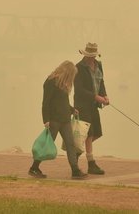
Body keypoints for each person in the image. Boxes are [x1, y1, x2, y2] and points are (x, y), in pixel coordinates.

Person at [29, 60, 89, 180]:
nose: (72, 78)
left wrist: (72, 110)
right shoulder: (50, 82)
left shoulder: (63, 84)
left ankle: (75, 170)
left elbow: (63, 102)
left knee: (70, 144)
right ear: (67, 72)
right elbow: (45, 103)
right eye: (72, 75)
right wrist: (46, 119)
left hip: (65, 119)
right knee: (46, 145)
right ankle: (34, 167)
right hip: (54, 120)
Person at [74, 42, 109, 175]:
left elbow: (101, 82)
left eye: (93, 56)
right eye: (89, 56)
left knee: (96, 133)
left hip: (94, 105)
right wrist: (95, 97)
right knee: (88, 133)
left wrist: (104, 96)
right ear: (85, 54)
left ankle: (75, 152)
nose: (91, 58)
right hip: (82, 105)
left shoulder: (99, 65)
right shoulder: (78, 68)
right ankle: (91, 163)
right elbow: (79, 90)